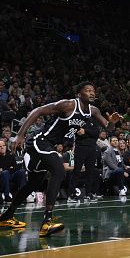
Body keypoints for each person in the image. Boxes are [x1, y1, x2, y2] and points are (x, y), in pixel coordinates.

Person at [0, 82, 121, 237]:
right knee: (58, 170)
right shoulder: (68, 105)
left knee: (33, 184)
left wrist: (112, 122)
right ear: (79, 94)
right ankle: (47, 222)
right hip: (39, 141)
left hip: (50, 146)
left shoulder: (94, 110)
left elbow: (108, 128)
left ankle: (6, 217)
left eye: (93, 90)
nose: (92, 93)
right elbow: (38, 111)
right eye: (88, 90)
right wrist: (21, 134)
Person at [68, 117, 102, 201]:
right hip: (80, 148)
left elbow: (96, 133)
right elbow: (78, 133)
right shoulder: (78, 120)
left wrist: (86, 132)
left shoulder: (94, 120)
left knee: (90, 171)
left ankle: (88, 193)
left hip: (92, 148)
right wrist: (90, 133)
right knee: (76, 170)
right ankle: (71, 194)